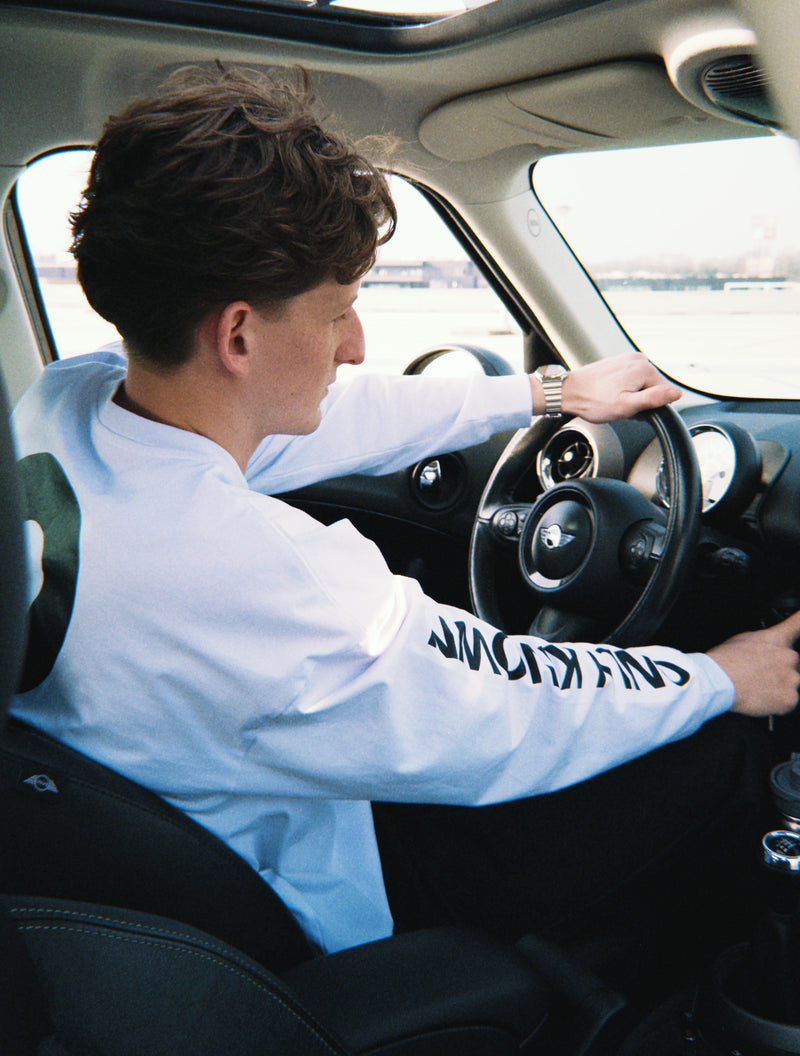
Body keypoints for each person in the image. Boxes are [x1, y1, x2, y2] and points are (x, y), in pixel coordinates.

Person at [9, 66, 800, 998]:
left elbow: (312, 419)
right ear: (238, 336)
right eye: (338, 310)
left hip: (192, 817)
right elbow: (512, 701)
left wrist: (546, 393)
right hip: (324, 898)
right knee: (722, 751)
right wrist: (720, 677)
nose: (354, 346)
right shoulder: (259, 578)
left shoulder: (69, 402)